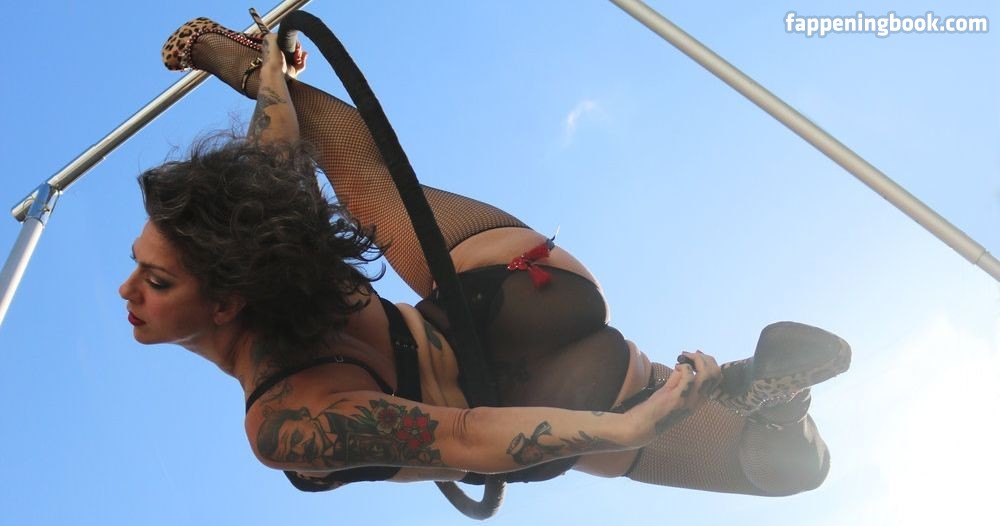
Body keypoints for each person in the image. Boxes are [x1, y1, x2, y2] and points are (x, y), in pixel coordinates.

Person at [120, 14, 850, 496]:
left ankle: (770, 402)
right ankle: (764, 391)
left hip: (538, 399)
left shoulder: (283, 421)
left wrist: (633, 428)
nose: (128, 291)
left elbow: (465, 435)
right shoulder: (271, 251)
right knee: (372, 187)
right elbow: (277, 153)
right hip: (520, 287)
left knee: (786, 472)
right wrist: (270, 80)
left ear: (228, 302)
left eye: (152, 277)